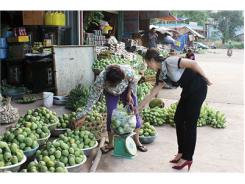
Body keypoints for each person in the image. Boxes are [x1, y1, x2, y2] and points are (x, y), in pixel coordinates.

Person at [139, 48, 212, 171]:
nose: (148, 67)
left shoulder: (170, 61)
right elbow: (153, 93)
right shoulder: (161, 72)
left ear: (152, 60)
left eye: (147, 64)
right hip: (188, 90)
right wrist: (139, 107)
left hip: (198, 87)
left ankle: (188, 157)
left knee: (190, 124)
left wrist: (206, 79)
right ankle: (181, 152)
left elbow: (193, 63)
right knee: (178, 118)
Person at [75, 64, 147, 153]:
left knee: (134, 112)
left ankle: (137, 141)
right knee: (111, 114)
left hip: (126, 89)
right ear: (107, 80)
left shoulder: (127, 72)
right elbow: (93, 97)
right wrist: (84, 114)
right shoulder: (101, 79)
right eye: (111, 84)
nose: (114, 85)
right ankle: (110, 144)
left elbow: (134, 81)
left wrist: (129, 94)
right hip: (110, 93)